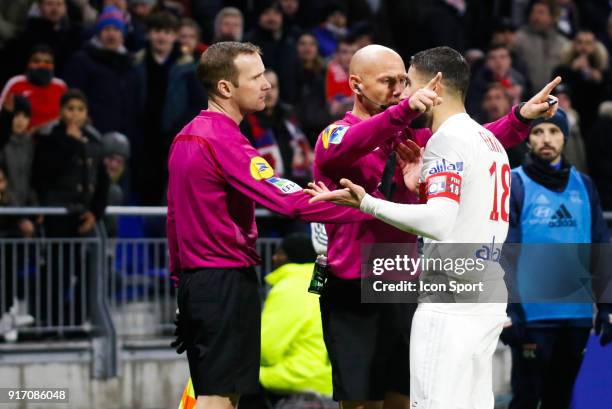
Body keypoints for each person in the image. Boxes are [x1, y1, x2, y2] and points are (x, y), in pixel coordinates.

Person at [306, 46, 561, 409]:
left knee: (406, 398)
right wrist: (402, 111)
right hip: (353, 286)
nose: (399, 90)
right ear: (355, 85)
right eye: (388, 82)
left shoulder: (417, 138)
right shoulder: (337, 135)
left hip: (404, 282)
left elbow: (469, 143)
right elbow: (346, 147)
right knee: (361, 403)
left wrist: (519, 117)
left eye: (402, 81)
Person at [167, 41, 370, 409]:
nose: (266, 85)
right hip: (224, 278)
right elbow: (286, 199)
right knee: (219, 396)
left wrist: (182, 288)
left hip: (198, 282)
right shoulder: (223, 138)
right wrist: (369, 208)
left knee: (216, 390)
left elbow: (173, 220)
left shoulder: (185, 136)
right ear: (226, 88)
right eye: (256, 76)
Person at [503, 109, 612, 409]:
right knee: (526, 398)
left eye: (553, 131)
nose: (546, 139)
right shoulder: (515, 183)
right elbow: (504, 253)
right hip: (531, 317)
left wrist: (606, 308)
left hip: (576, 316)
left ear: (565, 137)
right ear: (527, 139)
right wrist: (511, 310)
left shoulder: (584, 185)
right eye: (538, 132)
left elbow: (600, 244)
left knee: (561, 399)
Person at [32, 89, 109, 328]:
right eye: (70, 109)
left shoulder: (95, 141)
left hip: (83, 218)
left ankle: (75, 322)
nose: (75, 114)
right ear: (61, 112)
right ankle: (47, 322)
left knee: (83, 274)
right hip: (58, 216)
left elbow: (103, 183)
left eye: (80, 109)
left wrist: (95, 213)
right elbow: (42, 175)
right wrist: (69, 142)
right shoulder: (50, 138)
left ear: (86, 113)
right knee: (55, 273)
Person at [133, 11, 205, 205]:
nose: (161, 36)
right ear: (149, 34)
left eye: (167, 32)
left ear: (175, 36)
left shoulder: (190, 67)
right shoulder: (135, 63)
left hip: (174, 140)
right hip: (142, 139)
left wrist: (179, 130)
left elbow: (197, 105)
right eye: (157, 31)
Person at [259, 233, 334, 407]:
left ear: (291, 257)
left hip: (299, 378)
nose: (274, 257)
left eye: (279, 253)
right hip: (331, 380)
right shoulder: (321, 282)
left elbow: (267, 349)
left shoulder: (289, 287)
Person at [63, 6, 141, 139]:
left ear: (122, 35)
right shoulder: (82, 60)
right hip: (91, 133)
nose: (111, 34)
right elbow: (73, 95)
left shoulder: (130, 64)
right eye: (106, 29)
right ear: (98, 33)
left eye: (116, 29)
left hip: (124, 136)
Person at [0, 45, 67, 131]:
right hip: (18, 138)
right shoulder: (16, 82)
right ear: (28, 63)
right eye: (36, 61)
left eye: (47, 62)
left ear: (53, 65)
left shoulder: (60, 86)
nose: (42, 65)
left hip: (50, 139)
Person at [514, 0, 569, 91]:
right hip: (526, 97)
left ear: (552, 17)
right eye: (533, 12)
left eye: (541, 12)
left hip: (552, 97)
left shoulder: (563, 44)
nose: (535, 17)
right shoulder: (518, 38)